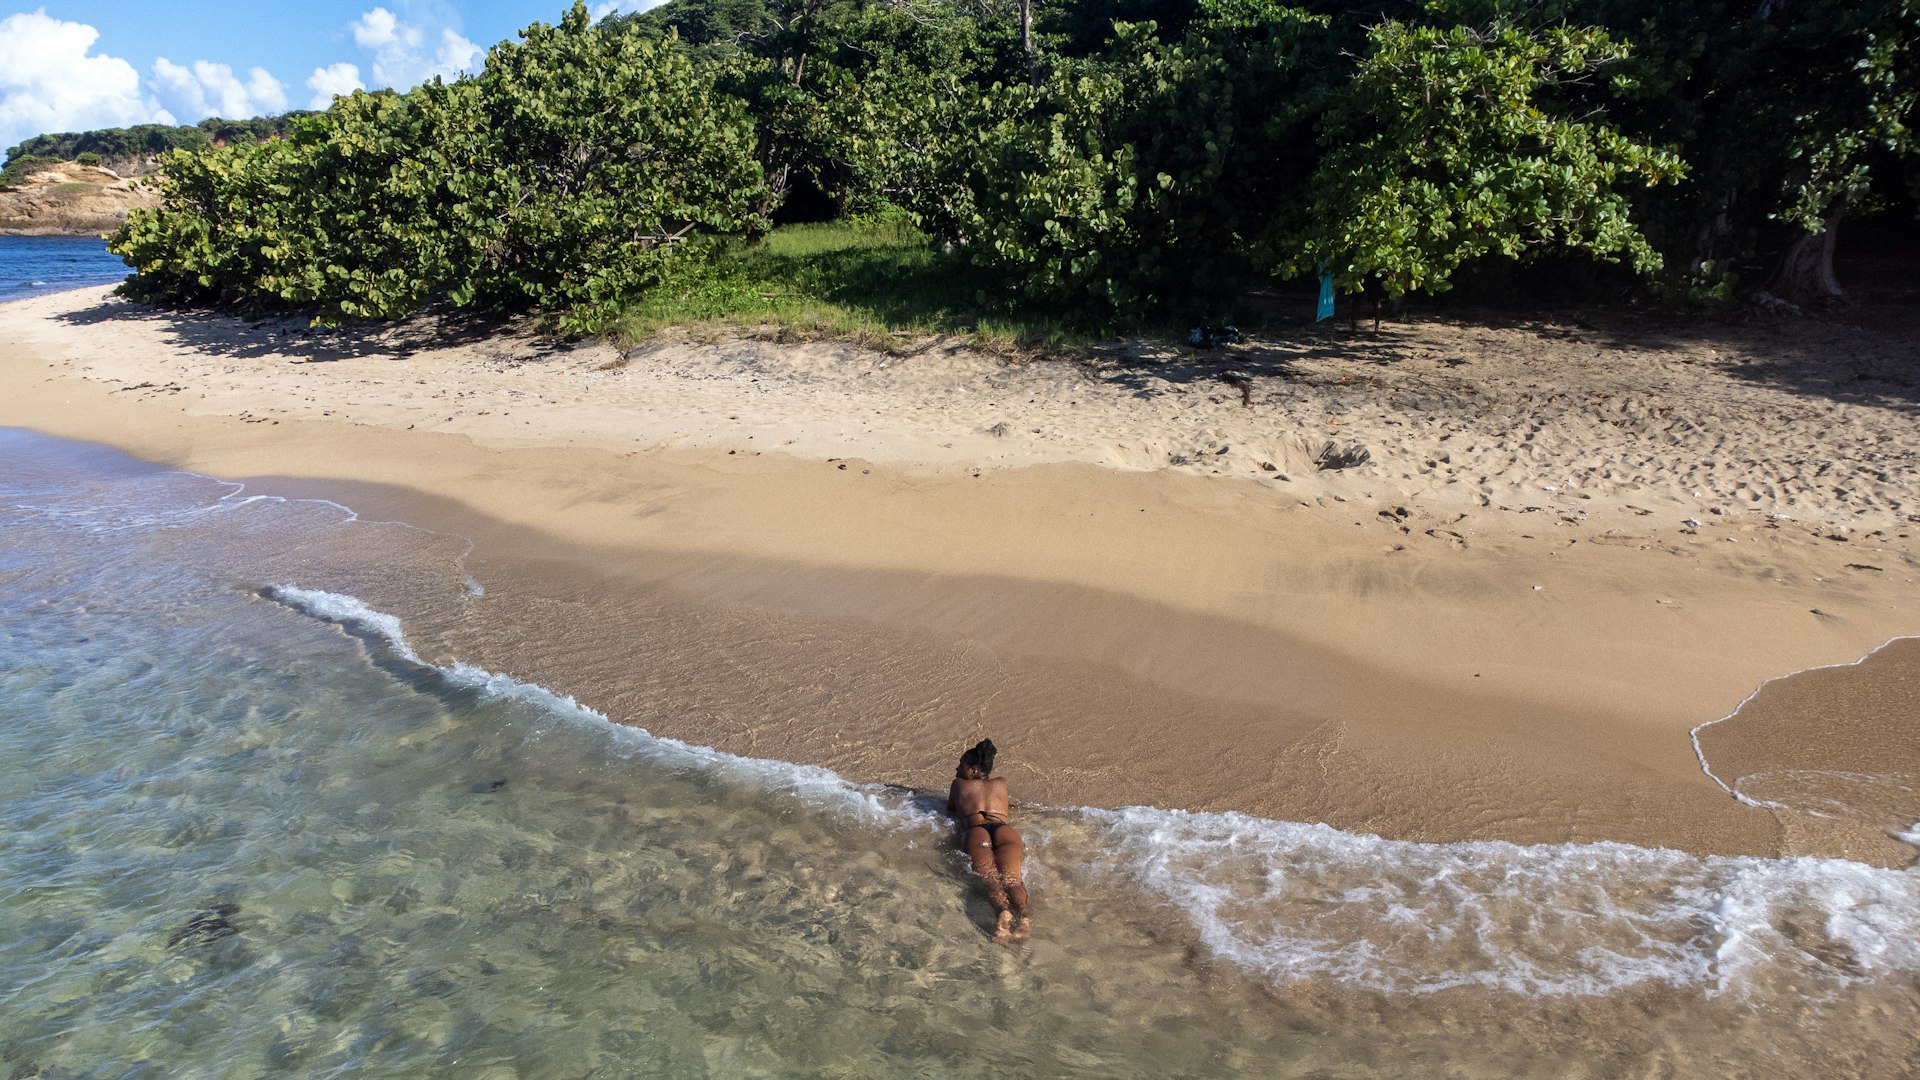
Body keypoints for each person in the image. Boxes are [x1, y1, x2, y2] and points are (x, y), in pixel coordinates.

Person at [947, 738, 1030, 942]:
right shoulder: (1001, 783)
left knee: (991, 881)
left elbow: (950, 809)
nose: (957, 768)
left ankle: (1003, 913)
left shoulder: (958, 784)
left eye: (961, 764)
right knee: (1013, 881)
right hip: (1004, 830)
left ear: (974, 770)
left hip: (977, 831)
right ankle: (1025, 920)